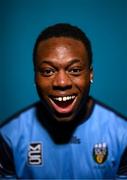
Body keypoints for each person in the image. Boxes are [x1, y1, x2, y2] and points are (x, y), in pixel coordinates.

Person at [0, 23, 127, 179]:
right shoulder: (9, 136)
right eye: (48, 71)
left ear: (90, 75)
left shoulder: (122, 135)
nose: (61, 82)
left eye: (74, 70)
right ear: (35, 77)